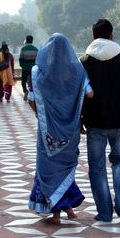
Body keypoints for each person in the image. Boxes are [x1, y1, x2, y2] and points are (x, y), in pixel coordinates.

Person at [80, 19, 120, 222]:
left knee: (97, 168)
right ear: (111, 35)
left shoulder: (84, 62)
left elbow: (79, 93)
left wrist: (80, 117)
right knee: (119, 162)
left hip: (95, 122)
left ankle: (104, 213)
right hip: (119, 122)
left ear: (93, 36)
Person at [28, 33, 93, 224]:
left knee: (48, 170)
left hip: (47, 132)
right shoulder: (77, 72)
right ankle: (66, 207)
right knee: (64, 169)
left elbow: (32, 99)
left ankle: (58, 210)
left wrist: (40, 115)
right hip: (70, 131)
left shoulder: (39, 72)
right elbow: (89, 94)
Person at [19, 35, 38, 101]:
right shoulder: (35, 49)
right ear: (32, 41)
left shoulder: (23, 49)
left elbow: (21, 59)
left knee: (23, 81)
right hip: (33, 69)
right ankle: (32, 93)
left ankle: (25, 91)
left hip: (25, 68)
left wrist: (22, 65)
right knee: (32, 81)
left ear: (26, 40)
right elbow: (37, 60)